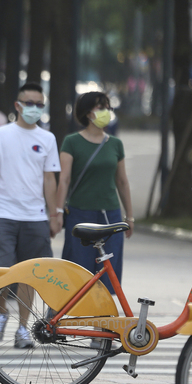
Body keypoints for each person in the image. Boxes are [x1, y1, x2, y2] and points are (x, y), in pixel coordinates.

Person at [0, 82, 60, 348]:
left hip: (35, 217)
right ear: (18, 105)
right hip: (3, 213)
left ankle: (23, 328)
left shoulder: (47, 138)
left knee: (31, 275)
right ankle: (1, 311)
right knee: (0, 270)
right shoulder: (1, 135)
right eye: (29, 103)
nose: (33, 108)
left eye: (39, 104)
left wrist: (53, 213)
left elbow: (49, 179)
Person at [55, 91, 134, 294]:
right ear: (88, 113)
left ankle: (103, 319)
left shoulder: (115, 144)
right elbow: (64, 179)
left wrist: (130, 217)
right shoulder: (71, 142)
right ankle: (68, 315)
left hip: (111, 215)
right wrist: (57, 211)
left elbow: (122, 181)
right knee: (78, 270)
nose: (106, 112)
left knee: (109, 274)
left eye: (108, 108)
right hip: (80, 213)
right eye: (100, 108)